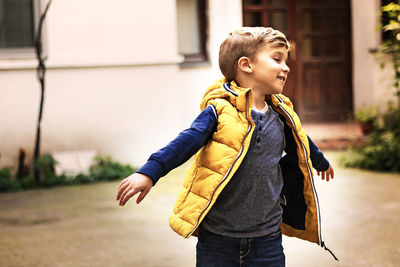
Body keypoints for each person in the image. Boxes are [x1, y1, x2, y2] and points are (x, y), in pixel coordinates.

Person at [116, 27, 337, 266]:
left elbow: (301, 137)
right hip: (218, 239)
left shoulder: (281, 112)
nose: (286, 67)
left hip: (267, 237)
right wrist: (149, 171)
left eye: (286, 60)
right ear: (246, 64)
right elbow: (185, 142)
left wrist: (319, 161)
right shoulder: (219, 111)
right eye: (277, 59)